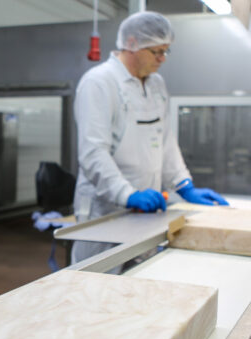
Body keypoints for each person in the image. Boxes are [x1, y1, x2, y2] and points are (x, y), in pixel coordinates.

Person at [71, 11, 228, 264]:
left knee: (139, 277)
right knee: (100, 276)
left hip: (146, 211)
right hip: (106, 211)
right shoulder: (99, 83)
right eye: (156, 52)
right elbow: (93, 152)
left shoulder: (156, 85)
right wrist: (127, 194)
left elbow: (165, 141)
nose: (162, 59)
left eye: (166, 51)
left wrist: (183, 185)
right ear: (132, 44)